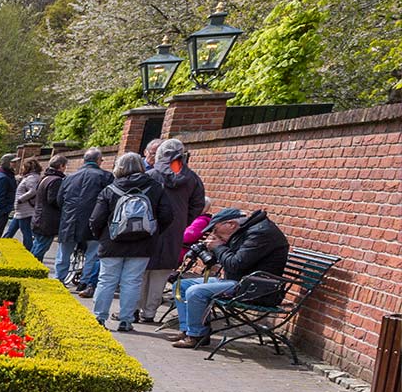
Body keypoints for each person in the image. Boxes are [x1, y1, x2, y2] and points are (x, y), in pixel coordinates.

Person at [169, 208, 291, 349]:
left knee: (195, 291)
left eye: (216, 229)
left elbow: (235, 264)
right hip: (241, 281)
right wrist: (212, 249)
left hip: (255, 288)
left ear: (231, 224)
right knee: (181, 285)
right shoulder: (245, 231)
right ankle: (187, 330)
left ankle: (197, 335)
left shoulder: (260, 234)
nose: (214, 233)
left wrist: (219, 247)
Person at [86, 151, 171, 332]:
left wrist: (102, 235)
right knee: (132, 282)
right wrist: (152, 232)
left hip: (112, 242)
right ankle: (126, 320)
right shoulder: (155, 188)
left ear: (119, 167)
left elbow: (95, 219)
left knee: (106, 280)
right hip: (142, 244)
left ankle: (99, 318)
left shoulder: (110, 189)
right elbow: (167, 215)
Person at [142, 136, 206, 324]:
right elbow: (197, 205)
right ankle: (149, 313)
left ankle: (134, 310)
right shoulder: (192, 179)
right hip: (174, 231)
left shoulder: (151, 175)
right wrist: (183, 221)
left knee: (141, 271)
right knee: (161, 274)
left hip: (149, 230)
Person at [56, 147, 110, 291]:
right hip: (93, 222)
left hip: (70, 220)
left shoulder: (69, 177)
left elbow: (59, 200)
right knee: (92, 254)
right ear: (99, 161)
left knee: (64, 254)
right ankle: (84, 282)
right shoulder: (105, 177)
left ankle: (59, 279)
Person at [30, 154, 67, 264]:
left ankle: (33, 267)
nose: (65, 169)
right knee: (40, 248)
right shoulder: (56, 180)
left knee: (38, 245)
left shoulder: (45, 178)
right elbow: (53, 200)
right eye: (65, 166)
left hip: (38, 217)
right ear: (60, 166)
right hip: (47, 221)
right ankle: (31, 267)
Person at [9, 157, 41, 248]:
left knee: (26, 232)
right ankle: (0, 245)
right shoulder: (31, 177)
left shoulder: (31, 178)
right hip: (21, 210)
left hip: (25, 210)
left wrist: (20, 199)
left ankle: (28, 251)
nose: (22, 168)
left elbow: (32, 191)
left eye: (23, 167)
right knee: (11, 231)